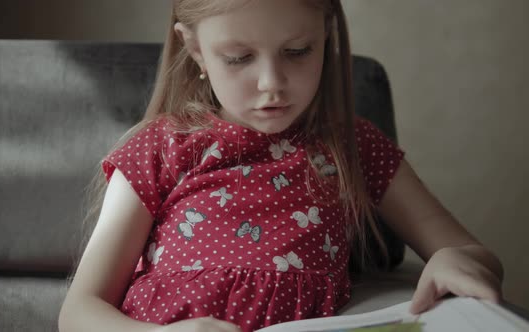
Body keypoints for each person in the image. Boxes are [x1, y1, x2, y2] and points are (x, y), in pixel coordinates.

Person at [58, 1, 504, 331]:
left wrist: (451, 258)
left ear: (326, 34)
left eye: (297, 51)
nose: (272, 83)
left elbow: (474, 254)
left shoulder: (351, 147)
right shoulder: (161, 146)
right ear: (194, 49)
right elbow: (79, 311)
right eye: (238, 58)